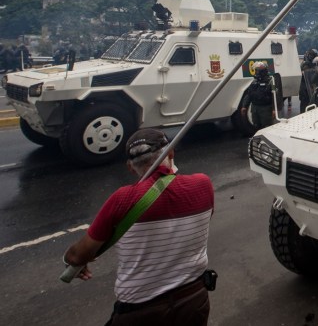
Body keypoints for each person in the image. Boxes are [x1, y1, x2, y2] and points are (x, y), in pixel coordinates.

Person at [62, 129, 214, 326]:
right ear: (170, 154)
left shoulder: (122, 199)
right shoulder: (203, 184)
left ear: (131, 167)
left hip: (140, 311)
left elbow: (76, 256)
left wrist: (70, 260)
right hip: (193, 301)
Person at [241, 61, 275, 130]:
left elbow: (275, 97)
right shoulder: (254, 81)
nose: (256, 72)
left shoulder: (271, 81)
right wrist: (244, 106)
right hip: (255, 109)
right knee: (256, 127)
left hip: (265, 109)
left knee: (267, 128)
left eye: (258, 70)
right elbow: (249, 94)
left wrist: (274, 110)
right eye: (256, 70)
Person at [298, 49, 318, 113]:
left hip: (312, 87)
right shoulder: (304, 64)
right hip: (305, 87)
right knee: (304, 107)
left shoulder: (315, 64)